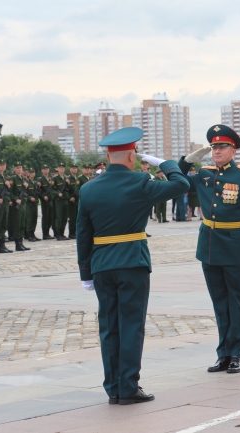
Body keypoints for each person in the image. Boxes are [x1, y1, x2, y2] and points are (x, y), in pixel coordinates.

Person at [78, 126, 189, 405]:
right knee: (131, 326)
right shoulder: (140, 182)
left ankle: (113, 388)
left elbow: (83, 233)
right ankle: (128, 387)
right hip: (132, 262)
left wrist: (85, 273)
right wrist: (165, 164)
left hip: (102, 264)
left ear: (108, 155)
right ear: (132, 157)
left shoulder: (88, 189)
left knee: (108, 327)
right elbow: (182, 185)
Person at [176, 124, 240, 375]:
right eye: (214, 147)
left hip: (236, 245)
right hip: (210, 245)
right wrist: (185, 162)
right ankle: (223, 353)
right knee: (219, 302)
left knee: (236, 301)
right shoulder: (204, 174)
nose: (216, 151)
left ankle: (237, 353)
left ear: (233, 150)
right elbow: (177, 182)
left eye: (222, 147)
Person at [50, 163, 70, 240]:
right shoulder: (54, 179)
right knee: (59, 217)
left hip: (65, 199)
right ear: (57, 169)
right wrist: (57, 194)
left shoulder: (66, 178)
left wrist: (68, 184)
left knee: (65, 217)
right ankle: (58, 234)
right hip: (59, 201)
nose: (61, 169)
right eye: (60, 167)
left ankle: (62, 233)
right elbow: (51, 189)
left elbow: (69, 189)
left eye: (63, 167)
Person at [37, 164, 53, 239]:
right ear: (42, 170)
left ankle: (48, 232)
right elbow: (38, 191)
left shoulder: (51, 179)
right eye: (44, 169)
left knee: (50, 217)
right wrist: (43, 197)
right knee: (45, 217)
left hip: (51, 200)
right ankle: (45, 234)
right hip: (45, 201)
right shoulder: (40, 180)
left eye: (47, 169)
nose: (46, 170)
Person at [67, 163, 80, 238]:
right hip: (71, 201)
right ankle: (71, 233)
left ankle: (75, 232)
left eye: (75, 168)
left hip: (77, 200)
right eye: (73, 168)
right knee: (72, 217)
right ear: (70, 169)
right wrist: (69, 197)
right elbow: (65, 190)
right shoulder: (68, 179)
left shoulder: (77, 178)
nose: (74, 169)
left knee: (77, 217)